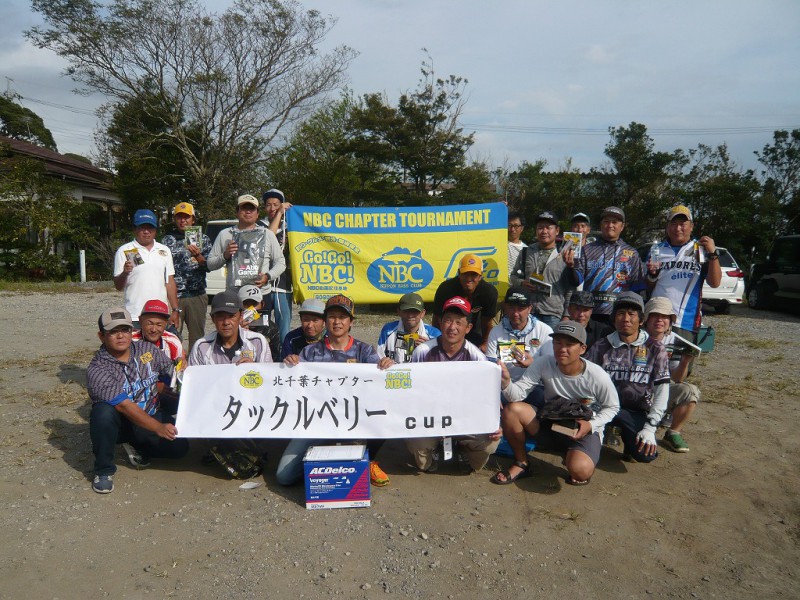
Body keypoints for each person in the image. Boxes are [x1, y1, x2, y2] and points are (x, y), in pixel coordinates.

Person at [277, 295, 395, 487]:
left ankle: (368, 457)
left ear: (351, 322)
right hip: (316, 422)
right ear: (325, 321)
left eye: (343, 317)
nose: (337, 322)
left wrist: (387, 366)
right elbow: (294, 388)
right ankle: (320, 459)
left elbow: (381, 385)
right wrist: (290, 365)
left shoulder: (364, 351)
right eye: (332, 316)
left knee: (383, 415)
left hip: (354, 423)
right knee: (284, 476)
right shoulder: (309, 353)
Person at [493, 321, 619, 486]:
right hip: (550, 423)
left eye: (569, 344)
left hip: (582, 429)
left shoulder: (597, 375)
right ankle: (521, 462)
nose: (562, 348)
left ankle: (575, 455)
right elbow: (517, 395)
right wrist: (506, 382)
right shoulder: (544, 362)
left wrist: (591, 425)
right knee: (513, 410)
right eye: (557, 342)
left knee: (581, 472)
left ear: (582, 348)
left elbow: (613, 407)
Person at [87, 307, 188, 494]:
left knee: (180, 449)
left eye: (125, 330)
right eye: (113, 331)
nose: (120, 336)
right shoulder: (98, 369)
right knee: (102, 413)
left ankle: (137, 443)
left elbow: (173, 371)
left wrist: (185, 372)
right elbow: (124, 406)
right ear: (101, 336)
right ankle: (103, 470)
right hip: (122, 422)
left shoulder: (146, 350)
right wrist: (158, 427)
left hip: (150, 412)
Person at [406, 296, 502, 473]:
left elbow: (486, 395)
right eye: (448, 320)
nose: (452, 327)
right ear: (440, 323)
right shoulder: (422, 351)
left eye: (459, 322)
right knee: (415, 444)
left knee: (491, 442)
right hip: (431, 418)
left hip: (465, 418)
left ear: (468, 328)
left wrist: (494, 422)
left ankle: (465, 451)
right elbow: (412, 390)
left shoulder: (477, 358)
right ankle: (433, 454)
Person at [585, 291, 670, 463]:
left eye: (632, 314)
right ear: (614, 319)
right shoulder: (601, 346)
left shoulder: (655, 348)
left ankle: (628, 437)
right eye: (620, 314)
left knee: (646, 455)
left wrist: (650, 427)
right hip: (602, 408)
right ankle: (605, 432)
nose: (626, 319)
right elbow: (584, 381)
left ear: (641, 320)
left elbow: (662, 390)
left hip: (635, 411)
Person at [645, 204, 722, 340]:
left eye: (682, 224)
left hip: (685, 321)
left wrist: (713, 254)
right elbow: (649, 286)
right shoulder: (656, 249)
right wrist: (652, 276)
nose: (678, 228)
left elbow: (715, 283)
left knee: (681, 361)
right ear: (667, 227)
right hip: (657, 319)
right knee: (652, 360)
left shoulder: (699, 249)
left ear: (691, 226)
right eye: (673, 224)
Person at [569, 206, 646, 324]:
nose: (610, 225)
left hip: (619, 315)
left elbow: (638, 288)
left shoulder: (632, 253)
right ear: (601, 225)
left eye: (615, 222)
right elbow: (576, 281)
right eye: (606, 222)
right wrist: (571, 267)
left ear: (622, 226)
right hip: (591, 313)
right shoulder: (586, 250)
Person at [643, 296, 700, 453]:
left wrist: (684, 362)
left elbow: (677, 379)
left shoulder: (675, 341)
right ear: (646, 318)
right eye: (655, 315)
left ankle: (673, 432)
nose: (660, 320)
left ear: (671, 320)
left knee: (690, 391)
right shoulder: (636, 337)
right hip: (637, 388)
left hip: (662, 388)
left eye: (665, 317)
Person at [113, 209, 180, 328]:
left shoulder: (164, 250)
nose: (146, 232)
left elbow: (169, 282)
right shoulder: (124, 250)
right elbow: (118, 286)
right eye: (142, 228)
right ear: (134, 229)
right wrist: (125, 272)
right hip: (135, 315)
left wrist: (175, 310)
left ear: (155, 230)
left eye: (150, 228)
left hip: (160, 314)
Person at [206, 194, 285, 293]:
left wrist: (267, 276)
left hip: (261, 294)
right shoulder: (225, 234)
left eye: (251, 208)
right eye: (244, 208)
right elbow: (210, 264)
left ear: (257, 214)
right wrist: (225, 255)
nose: (248, 211)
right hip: (234, 295)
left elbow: (281, 262)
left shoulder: (267, 234)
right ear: (237, 212)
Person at [510, 210, 574, 329]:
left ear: (557, 231)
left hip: (553, 314)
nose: (544, 231)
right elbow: (513, 277)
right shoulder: (526, 252)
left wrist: (567, 314)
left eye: (548, 227)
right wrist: (522, 283)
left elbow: (570, 288)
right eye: (540, 227)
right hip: (528, 311)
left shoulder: (565, 254)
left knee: (551, 347)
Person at [161, 201, 212, 349]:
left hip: (196, 295)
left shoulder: (204, 239)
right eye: (179, 217)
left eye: (186, 217)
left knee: (197, 338)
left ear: (193, 219)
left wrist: (199, 257)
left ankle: (196, 369)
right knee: (172, 335)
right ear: (175, 219)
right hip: (174, 297)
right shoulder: (167, 240)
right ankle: (175, 367)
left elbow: (209, 266)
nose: (183, 220)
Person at [486, 286, 554, 386]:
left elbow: (552, 366)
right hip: (505, 384)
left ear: (530, 308)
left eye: (521, 308)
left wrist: (533, 365)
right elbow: (491, 365)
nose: (515, 313)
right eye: (511, 307)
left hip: (535, 385)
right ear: (505, 307)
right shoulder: (495, 332)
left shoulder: (544, 331)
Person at [432, 254, 498, 352]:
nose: (469, 278)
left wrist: (485, 343)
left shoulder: (489, 292)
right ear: (459, 273)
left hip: (475, 329)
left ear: (480, 276)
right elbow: (437, 318)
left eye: (474, 275)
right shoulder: (445, 289)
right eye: (465, 274)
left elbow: (487, 322)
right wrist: (437, 341)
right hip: (451, 329)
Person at [188, 290, 272, 366]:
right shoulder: (201, 347)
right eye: (220, 316)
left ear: (241, 316)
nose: (226, 322)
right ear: (213, 318)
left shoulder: (258, 342)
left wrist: (256, 368)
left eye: (231, 316)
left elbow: (268, 377)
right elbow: (194, 380)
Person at [263, 189, 294, 342]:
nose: (272, 208)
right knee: (260, 325)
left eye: (276, 204)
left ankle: (283, 358)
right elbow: (268, 239)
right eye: (268, 205)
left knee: (284, 328)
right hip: (263, 285)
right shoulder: (258, 226)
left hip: (284, 285)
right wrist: (280, 213)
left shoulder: (292, 227)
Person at [132, 299, 185, 387]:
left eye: (159, 325)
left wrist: (181, 362)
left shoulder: (173, 342)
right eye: (149, 324)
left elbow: (179, 370)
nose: (153, 329)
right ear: (140, 321)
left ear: (166, 324)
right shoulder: (130, 341)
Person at [377, 292, 441, 363]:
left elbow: (441, 363)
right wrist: (384, 362)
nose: (410, 315)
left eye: (415, 311)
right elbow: (377, 357)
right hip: (396, 373)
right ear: (399, 311)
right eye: (406, 311)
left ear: (422, 313)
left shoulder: (435, 334)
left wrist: (429, 348)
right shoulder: (388, 330)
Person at [238, 284, 280, 361]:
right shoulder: (232, 326)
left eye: (254, 304)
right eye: (246, 304)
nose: (251, 309)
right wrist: (239, 331)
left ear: (263, 304)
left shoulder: (271, 328)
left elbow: (275, 358)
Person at [507, 211, 527, 279]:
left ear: (522, 228)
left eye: (516, 226)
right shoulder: (499, 244)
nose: (512, 229)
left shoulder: (526, 250)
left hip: (516, 288)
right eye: (509, 225)